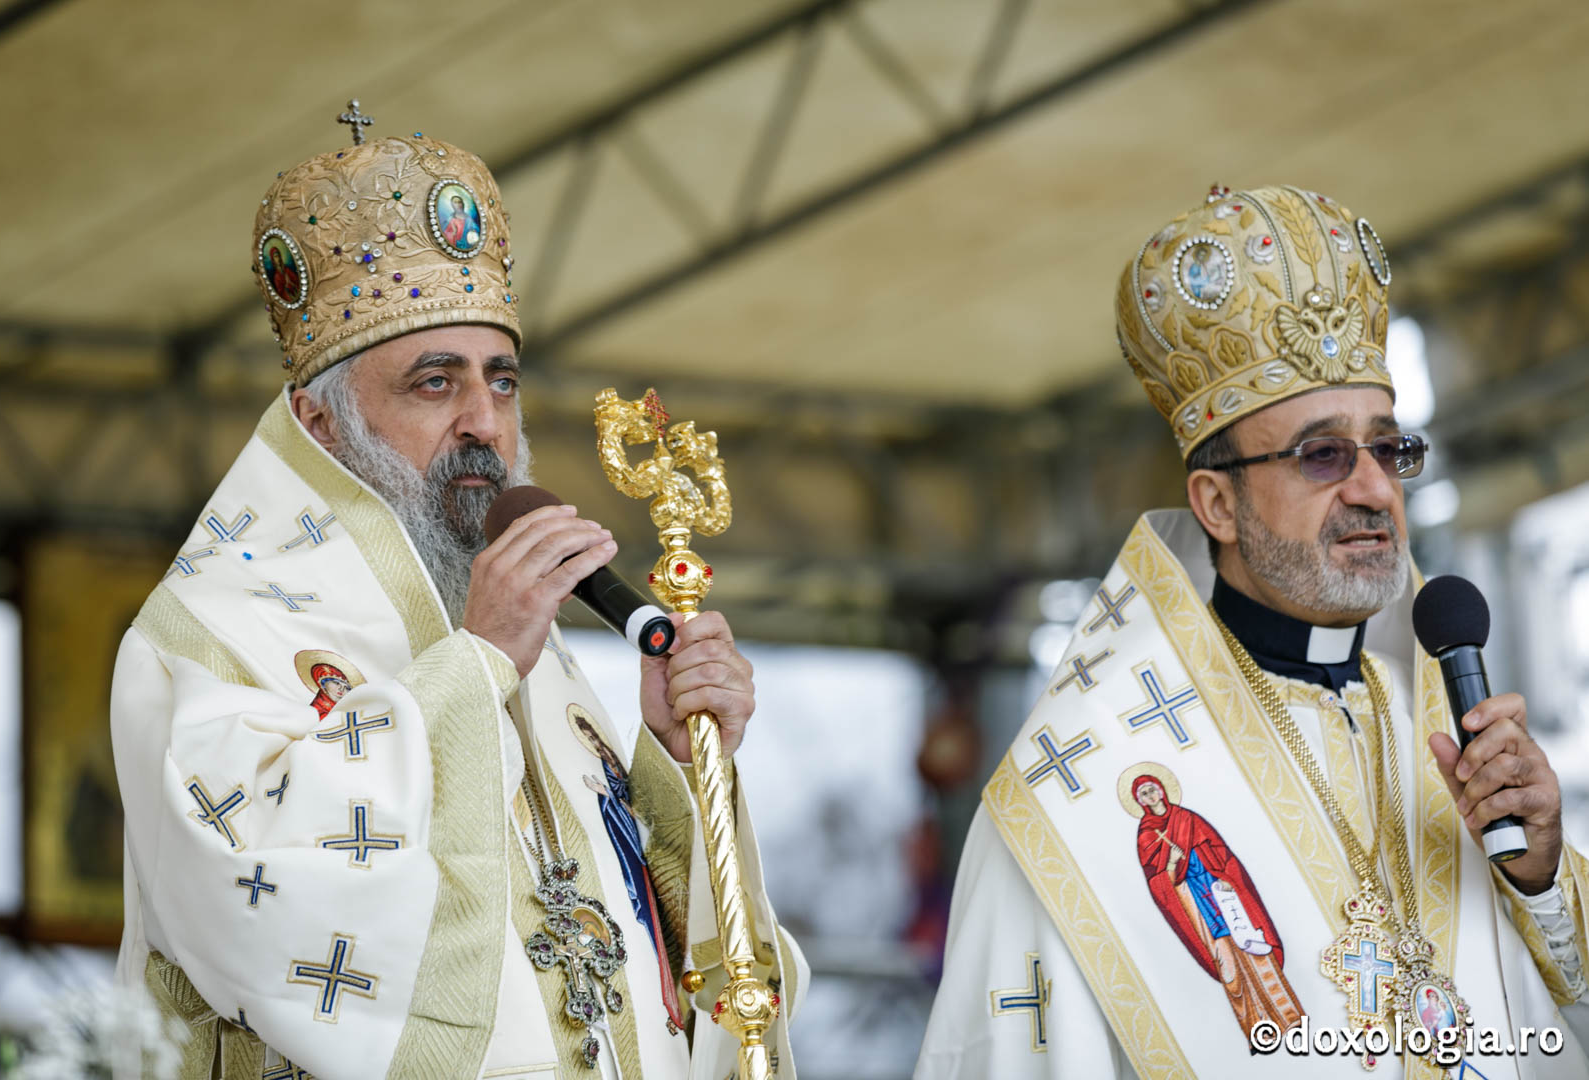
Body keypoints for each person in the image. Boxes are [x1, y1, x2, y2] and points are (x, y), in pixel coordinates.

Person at [110, 118, 806, 1080]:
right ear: (322, 423)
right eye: (435, 383)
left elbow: (624, 934)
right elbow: (251, 898)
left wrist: (680, 770)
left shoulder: (527, 642)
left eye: (502, 379)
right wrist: (472, 672)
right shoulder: (215, 635)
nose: (484, 422)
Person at [916, 185, 1589, 1079]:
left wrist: (1541, 881)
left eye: (1389, 450)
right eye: (1322, 455)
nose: (1374, 489)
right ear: (1218, 503)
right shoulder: (1071, 798)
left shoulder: (1440, 732)